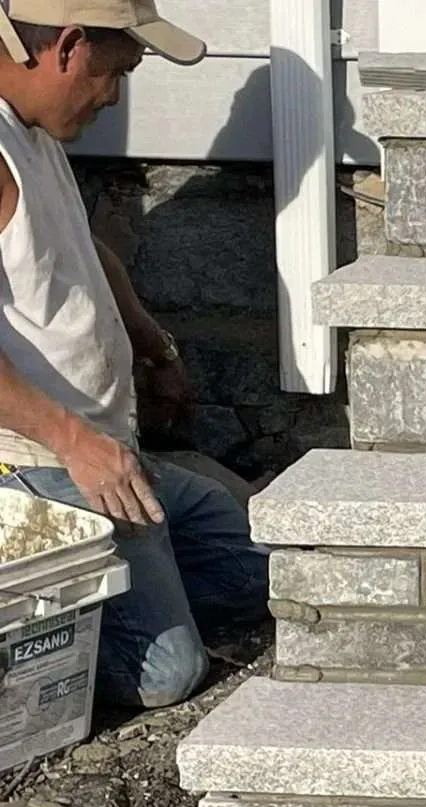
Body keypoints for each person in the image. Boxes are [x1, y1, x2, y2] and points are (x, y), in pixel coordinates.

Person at [0, 0, 265, 710]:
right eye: (115, 72)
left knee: (258, 572)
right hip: (37, 466)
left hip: (105, 449)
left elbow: (87, 251)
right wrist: (72, 442)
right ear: (68, 47)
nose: (115, 96)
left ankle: (123, 590)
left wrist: (154, 346)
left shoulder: (34, 134)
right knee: (166, 674)